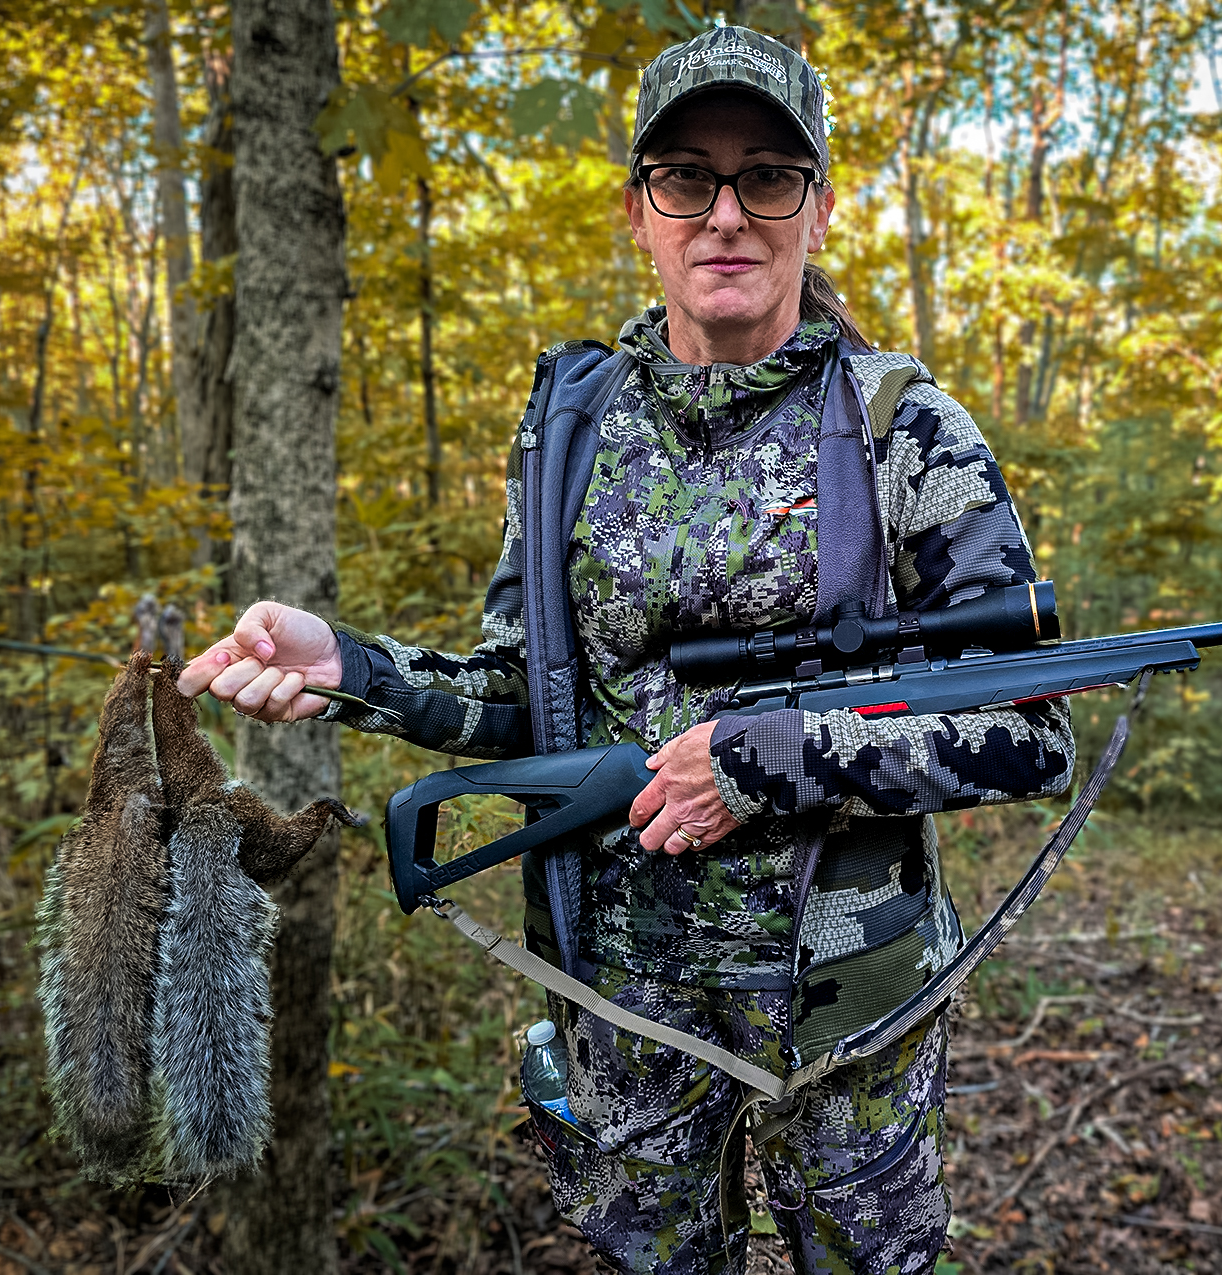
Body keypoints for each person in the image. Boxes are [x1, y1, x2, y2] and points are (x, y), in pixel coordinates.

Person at [179, 26, 1074, 1275]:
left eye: (768, 177)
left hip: (849, 1015)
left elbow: (1031, 731)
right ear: (639, 210)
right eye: (687, 178)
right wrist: (355, 671)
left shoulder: (903, 428)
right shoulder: (573, 430)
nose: (727, 215)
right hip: (618, 1003)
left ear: (818, 206)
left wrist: (767, 764)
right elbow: (524, 695)